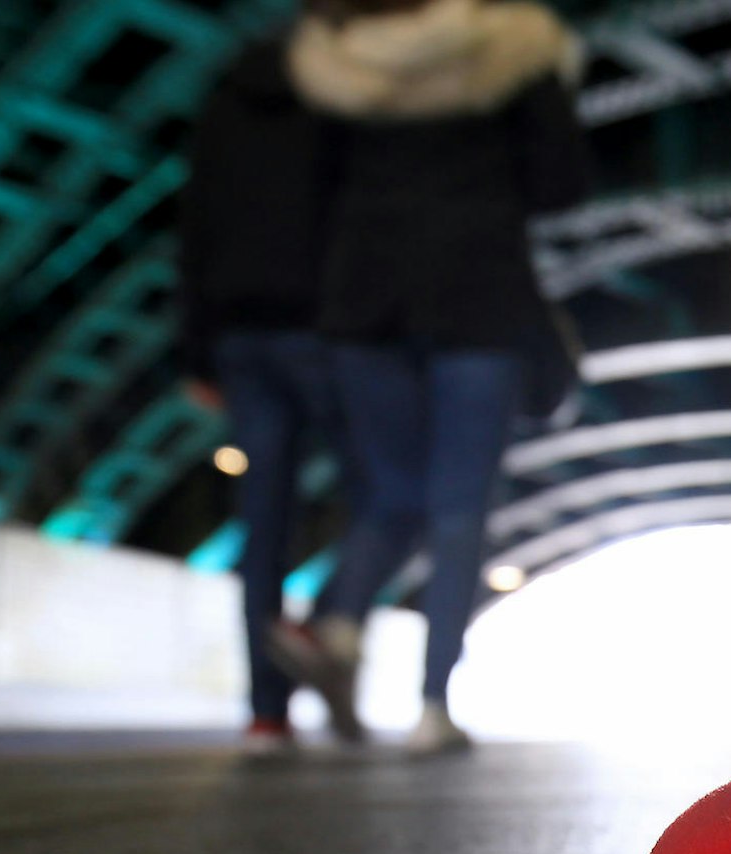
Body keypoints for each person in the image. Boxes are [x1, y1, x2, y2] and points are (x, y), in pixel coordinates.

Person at [269, 0, 592, 752]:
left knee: (389, 493)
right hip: (478, 295)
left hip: (364, 300)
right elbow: (560, 183)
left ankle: (339, 621)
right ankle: (431, 709)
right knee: (458, 510)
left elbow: (306, 194)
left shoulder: (337, 65)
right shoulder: (514, 50)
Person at [177, 16, 342, 758]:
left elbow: (196, 229)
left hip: (239, 335)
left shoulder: (223, 107)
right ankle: (330, 618)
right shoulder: (337, 97)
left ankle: (266, 712)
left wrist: (196, 354)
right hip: (322, 330)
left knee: (262, 523)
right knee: (384, 481)